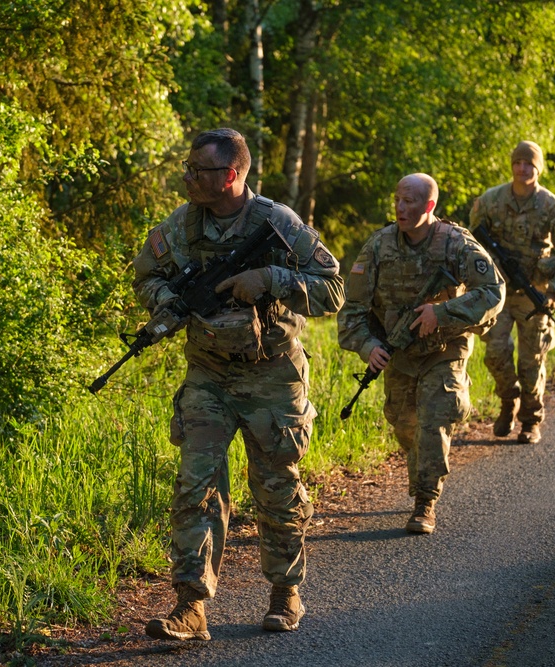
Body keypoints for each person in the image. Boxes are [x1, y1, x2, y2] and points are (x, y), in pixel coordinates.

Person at [131, 128, 345, 641]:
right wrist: (170, 302)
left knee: (276, 488)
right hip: (208, 373)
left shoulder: (277, 223)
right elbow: (145, 276)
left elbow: (334, 288)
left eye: (196, 170)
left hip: (272, 373)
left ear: (229, 175)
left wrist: (272, 281)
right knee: (196, 485)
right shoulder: (182, 224)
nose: (186, 177)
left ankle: (284, 592)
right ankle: (190, 605)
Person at [337, 173, 505, 535]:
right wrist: (369, 346)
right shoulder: (379, 246)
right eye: (397, 199)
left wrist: (440, 313)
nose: (400, 207)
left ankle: (425, 501)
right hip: (400, 352)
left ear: (429, 206)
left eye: (410, 201)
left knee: (434, 418)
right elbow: (351, 311)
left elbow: (493, 292)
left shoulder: (456, 244)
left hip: (445, 347)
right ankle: (421, 481)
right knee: (405, 423)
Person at [469, 141, 555, 444]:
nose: (522, 168)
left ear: (538, 168)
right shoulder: (490, 201)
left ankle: (531, 420)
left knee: (531, 363)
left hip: (536, 295)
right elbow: (471, 248)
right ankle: (508, 401)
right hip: (499, 293)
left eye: (529, 164)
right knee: (495, 354)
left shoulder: (551, 206)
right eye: (518, 162)